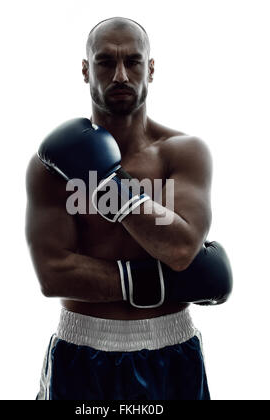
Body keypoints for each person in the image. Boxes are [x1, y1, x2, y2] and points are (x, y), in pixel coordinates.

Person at [25, 17, 232, 400]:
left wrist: (107, 185)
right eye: (105, 62)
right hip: (81, 347)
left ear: (150, 69)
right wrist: (172, 281)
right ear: (86, 70)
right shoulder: (50, 166)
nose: (120, 74)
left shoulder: (184, 152)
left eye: (133, 62)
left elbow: (181, 248)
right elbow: (54, 276)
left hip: (172, 344)